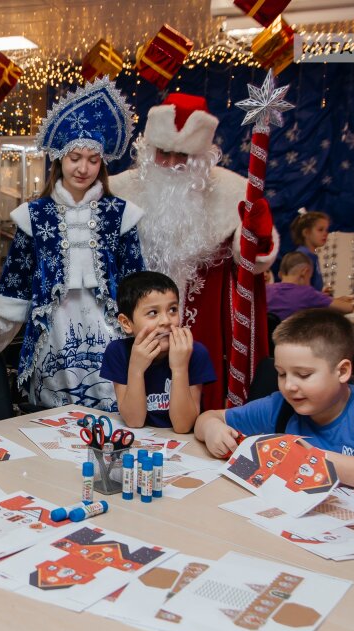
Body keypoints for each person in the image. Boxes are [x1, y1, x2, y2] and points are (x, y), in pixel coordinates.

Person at [0, 78, 145, 410]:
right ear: (60, 158)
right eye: (75, 157)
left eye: (93, 159)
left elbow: (138, 287)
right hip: (52, 336)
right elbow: (15, 286)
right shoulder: (35, 216)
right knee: (54, 419)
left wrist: (147, 340)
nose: (83, 168)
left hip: (111, 337)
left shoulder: (120, 215)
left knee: (110, 413)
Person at [111, 93, 279, 410]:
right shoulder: (119, 190)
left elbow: (250, 266)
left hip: (201, 327)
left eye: (184, 155)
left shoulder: (232, 192)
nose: (173, 164)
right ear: (149, 149)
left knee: (197, 409)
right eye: (164, 153)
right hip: (130, 329)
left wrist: (258, 237)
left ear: (201, 156)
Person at [194, 309, 354, 496]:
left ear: (342, 371)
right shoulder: (280, 406)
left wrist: (310, 457)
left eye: (303, 375)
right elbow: (207, 418)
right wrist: (213, 428)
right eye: (281, 373)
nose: (289, 386)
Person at [100, 271, 215, 431]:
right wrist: (136, 369)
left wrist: (180, 368)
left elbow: (183, 426)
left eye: (172, 310)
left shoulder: (195, 352)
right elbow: (134, 421)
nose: (166, 321)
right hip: (140, 439)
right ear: (126, 323)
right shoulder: (118, 352)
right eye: (153, 313)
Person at [266, 251, 354, 321]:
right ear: (305, 272)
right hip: (296, 337)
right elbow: (348, 308)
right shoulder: (307, 293)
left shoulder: (266, 290)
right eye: (310, 277)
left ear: (280, 274)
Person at [290, 210, 332, 293]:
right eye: (320, 230)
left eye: (326, 230)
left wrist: (321, 293)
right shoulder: (302, 257)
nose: (325, 234)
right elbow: (300, 292)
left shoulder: (312, 256)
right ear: (306, 233)